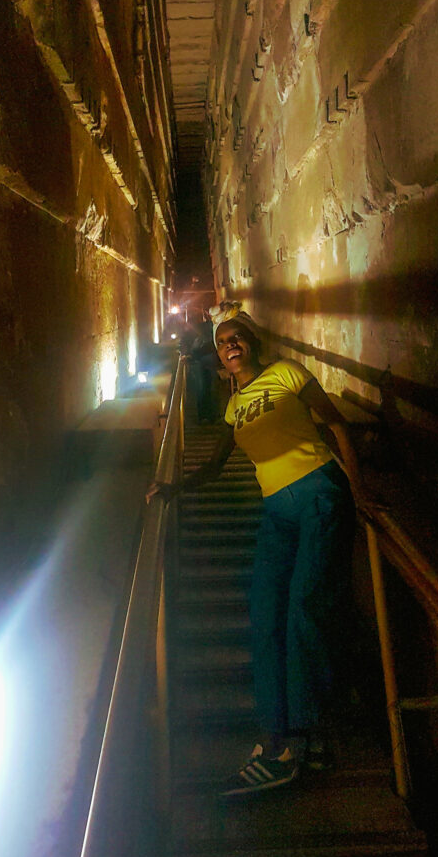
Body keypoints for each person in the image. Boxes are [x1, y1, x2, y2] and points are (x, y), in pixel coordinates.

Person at [148, 309, 372, 796]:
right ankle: (275, 736)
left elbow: (336, 425)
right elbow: (213, 465)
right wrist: (170, 487)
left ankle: (301, 741)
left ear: (253, 342)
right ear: (219, 355)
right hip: (277, 511)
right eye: (222, 340)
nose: (230, 345)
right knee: (263, 612)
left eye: (238, 337)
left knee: (304, 609)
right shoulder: (232, 410)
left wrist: (359, 491)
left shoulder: (286, 374)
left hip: (317, 493)